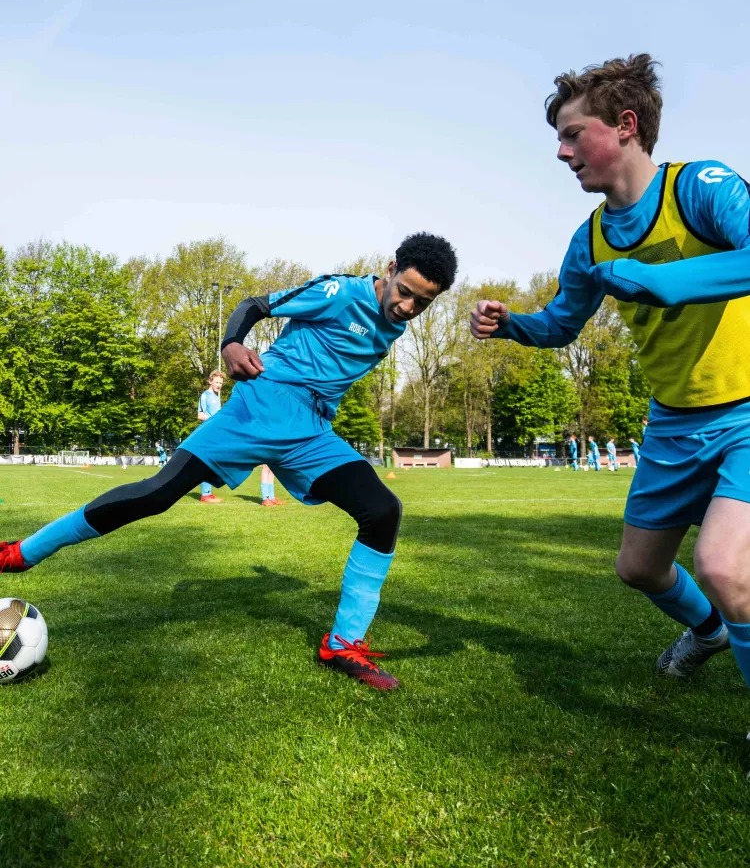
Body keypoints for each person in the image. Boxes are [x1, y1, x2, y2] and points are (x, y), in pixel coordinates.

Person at [0, 233, 458, 691]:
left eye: (423, 302)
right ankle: (22, 553)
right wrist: (232, 345)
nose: (408, 307)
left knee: (382, 511)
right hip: (259, 409)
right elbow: (255, 304)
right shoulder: (341, 292)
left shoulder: (394, 322)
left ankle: (342, 644)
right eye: (405, 291)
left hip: (312, 433)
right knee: (157, 494)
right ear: (391, 267)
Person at [470, 53, 750, 701]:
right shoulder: (590, 239)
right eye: (560, 139)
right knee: (640, 567)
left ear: (626, 125)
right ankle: (708, 633)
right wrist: (512, 323)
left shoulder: (699, 187)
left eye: (573, 135)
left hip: (744, 413)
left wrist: (661, 281)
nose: (563, 153)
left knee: (722, 563)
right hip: (675, 421)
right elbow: (562, 324)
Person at [197, 370, 225, 503]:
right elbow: (200, 415)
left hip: (215, 432)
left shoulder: (217, 397)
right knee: (206, 463)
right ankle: (205, 495)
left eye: (221, 382)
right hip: (207, 432)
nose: (219, 385)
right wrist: (214, 419)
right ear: (210, 381)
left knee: (212, 463)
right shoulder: (205, 396)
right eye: (217, 382)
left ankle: (208, 492)